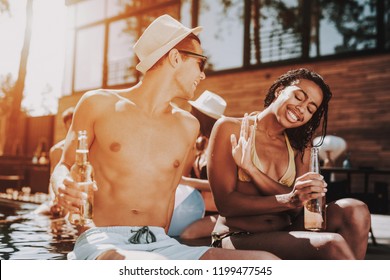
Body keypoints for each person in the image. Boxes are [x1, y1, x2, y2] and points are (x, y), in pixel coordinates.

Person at [51, 14, 278, 260]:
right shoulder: (98, 103)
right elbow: (64, 165)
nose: (203, 75)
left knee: (266, 262)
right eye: (200, 63)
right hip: (104, 240)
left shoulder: (187, 125)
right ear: (175, 57)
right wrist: (62, 183)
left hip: (162, 243)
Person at [207, 68, 371, 260]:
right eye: (299, 97)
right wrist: (291, 198)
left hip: (287, 231)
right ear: (279, 90)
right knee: (331, 244)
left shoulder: (300, 146)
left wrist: (253, 170)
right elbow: (226, 205)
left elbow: (297, 207)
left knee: (355, 210)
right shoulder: (229, 128)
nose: (302, 108)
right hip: (238, 236)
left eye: (310, 109)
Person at [168, 90, 226, 239]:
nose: (189, 116)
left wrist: (186, 182)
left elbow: (221, 186)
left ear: (203, 119)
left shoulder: (221, 146)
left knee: (188, 235)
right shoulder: (199, 144)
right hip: (193, 210)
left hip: (220, 213)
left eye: (193, 113)